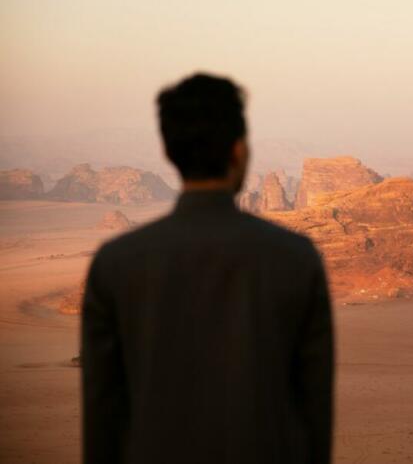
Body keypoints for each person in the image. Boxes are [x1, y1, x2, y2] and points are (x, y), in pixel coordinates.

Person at [81, 73, 334, 464]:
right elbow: (314, 408)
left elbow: (103, 416)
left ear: (169, 152)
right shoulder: (295, 258)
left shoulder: (115, 264)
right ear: (239, 152)